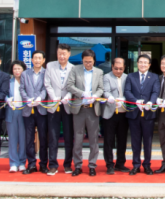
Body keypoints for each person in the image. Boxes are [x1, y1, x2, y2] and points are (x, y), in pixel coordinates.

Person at [66, 49, 104, 176]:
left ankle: (92, 165)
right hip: (79, 108)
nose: (88, 64)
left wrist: (95, 96)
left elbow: (101, 88)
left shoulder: (99, 72)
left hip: (93, 109)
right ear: (82, 60)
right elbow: (70, 85)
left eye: (90, 62)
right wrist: (82, 93)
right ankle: (78, 165)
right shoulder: (75, 70)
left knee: (93, 139)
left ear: (94, 61)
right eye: (85, 62)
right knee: (78, 138)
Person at [124, 54, 160, 175]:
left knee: (148, 141)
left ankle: (147, 165)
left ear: (149, 65)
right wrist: (135, 101)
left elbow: (155, 92)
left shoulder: (154, 77)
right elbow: (127, 91)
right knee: (135, 141)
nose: (143, 64)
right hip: (134, 113)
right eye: (140, 62)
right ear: (137, 63)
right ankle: (136, 165)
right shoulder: (130, 76)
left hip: (148, 114)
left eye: (145, 62)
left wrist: (151, 102)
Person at [44, 43, 74, 175]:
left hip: (68, 106)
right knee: (53, 136)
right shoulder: (50, 66)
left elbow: (74, 85)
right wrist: (53, 96)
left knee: (68, 136)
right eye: (59, 53)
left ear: (69, 54)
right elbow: (47, 84)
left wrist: (68, 96)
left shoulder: (73, 68)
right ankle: (52, 165)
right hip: (53, 105)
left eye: (64, 54)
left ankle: (67, 164)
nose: (61, 56)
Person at [19, 50, 49, 174]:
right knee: (29, 139)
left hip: (41, 109)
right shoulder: (25, 73)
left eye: (39, 58)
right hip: (28, 110)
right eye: (35, 58)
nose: (37, 60)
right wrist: (27, 99)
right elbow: (21, 88)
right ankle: (31, 164)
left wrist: (40, 98)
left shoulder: (46, 73)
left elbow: (46, 88)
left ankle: (43, 164)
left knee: (43, 138)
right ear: (31, 60)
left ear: (43, 60)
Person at [102, 57, 129, 175]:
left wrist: (125, 99)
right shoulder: (107, 77)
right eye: (116, 68)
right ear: (112, 67)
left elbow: (129, 91)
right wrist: (111, 98)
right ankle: (109, 164)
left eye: (121, 69)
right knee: (109, 140)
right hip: (110, 113)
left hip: (124, 113)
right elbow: (105, 91)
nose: (118, 71)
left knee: (122, 140)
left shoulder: (127, 77)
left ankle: (120, 163)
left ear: (124, 68)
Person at [6, 61, 27, 173]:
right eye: (15, 69)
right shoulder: (8, 82)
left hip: (24, 111)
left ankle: (22, 162)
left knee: (23, 138)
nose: (17, 71)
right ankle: (13, 163)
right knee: (12, 138)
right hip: (11, 111)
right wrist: (7, 99)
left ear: (23, 70)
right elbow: (4, 94)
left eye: (19, 69)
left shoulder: (26, 81)